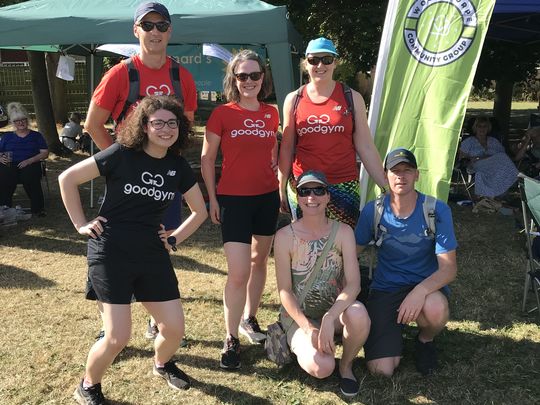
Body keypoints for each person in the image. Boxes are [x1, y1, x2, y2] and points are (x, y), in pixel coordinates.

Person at [59, 96, 207, 405]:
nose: (166, 129)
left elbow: (200, 212)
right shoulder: (122, 155)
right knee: (117, 336)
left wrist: (174, 239)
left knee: (174, 328)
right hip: (110, 250)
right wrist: (80, 224)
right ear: (144, 126)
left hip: (152, 252)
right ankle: (88, 386)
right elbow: (67, 178)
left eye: (172, 123)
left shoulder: (177, 166)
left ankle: (162, 363)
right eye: (158, 123)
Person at [84, 1, 198, 339]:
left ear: (170, 31)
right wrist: (119, 164)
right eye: (147, 25)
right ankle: (110, 327)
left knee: (160, 241)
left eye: (161, 25)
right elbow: (92, 124)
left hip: (163, 180)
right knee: (111, 244)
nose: (155, 32)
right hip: (125, 184)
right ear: (136, 31)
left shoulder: (182, 76)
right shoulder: (120, 73)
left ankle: (155, 312)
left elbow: (185, 130)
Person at [201, 49, 280, 369]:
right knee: (238, 272)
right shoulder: (222, 113)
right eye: (242, 76)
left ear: (263, 78)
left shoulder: (273, 113)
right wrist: (213, 199)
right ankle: (230, 336)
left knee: (260, 260)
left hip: (266, 198)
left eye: (254, 75)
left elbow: (273, 152)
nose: (249, 81)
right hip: (232, 200)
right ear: (234, 80)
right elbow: (207, 159)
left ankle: (250, 318)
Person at [355, 148, 457, 377]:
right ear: (385, 175)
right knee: (381, 371)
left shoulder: (436, 210)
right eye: (395, 171)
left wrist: (419, 291)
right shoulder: (374, 210)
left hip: (426, 288)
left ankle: (425, 340)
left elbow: (449, 269)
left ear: (417, 175)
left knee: (436, 308)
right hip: (386, 288)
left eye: (407, 170)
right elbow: (353, 251)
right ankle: (392, 332)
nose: (401, 176)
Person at [273, 170, 370, 397]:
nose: (311, 197)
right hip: (299, 317)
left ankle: (346, 366)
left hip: (334, 313)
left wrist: (329, 317)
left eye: (318, 190)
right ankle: (301, 343)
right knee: (322, 367)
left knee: (359, 314)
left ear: (328, 196)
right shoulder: (284, 236)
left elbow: (354, 284)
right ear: (298, 197)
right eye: (305, 191)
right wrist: (308, 328)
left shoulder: (344, 232)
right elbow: (285, 291)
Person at [278, 37, 387, 228]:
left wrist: (385, 185)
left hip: (343, 185)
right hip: (304, 186)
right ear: (306, 63)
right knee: (306, 246)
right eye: (313, 60)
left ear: (335, 62)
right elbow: (286, 148)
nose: (320, 65)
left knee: (341, 246)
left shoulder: (352, 98)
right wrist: (280, 187)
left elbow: (366, 146)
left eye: (327, 59)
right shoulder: (293, 99)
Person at [0, 102, 48, 216]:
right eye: (17, 121)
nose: (20, 122)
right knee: (4, 175)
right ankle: (4, 207)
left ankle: (37, 209)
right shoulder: (7, 137)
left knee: (30, 176)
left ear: (27, 120)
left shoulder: (36, 136)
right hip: (10, 164)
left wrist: (29, 160)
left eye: (23, 119)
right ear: (13, 123)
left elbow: (45, 153)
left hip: (30, 163)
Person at [459, 115, 518, 200]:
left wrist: (490, 158)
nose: (482, 129)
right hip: (476, 164)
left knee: (501, 159)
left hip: (495, 166)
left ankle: (496, 192)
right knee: (501, 157)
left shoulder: (494, 141)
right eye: (479, 126)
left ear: (488, 128)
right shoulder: (469, 141)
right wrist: (473, 159)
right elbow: (461, 158)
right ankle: (514, 178)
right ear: (475, 128)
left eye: (485, 126)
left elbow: (503, 158)